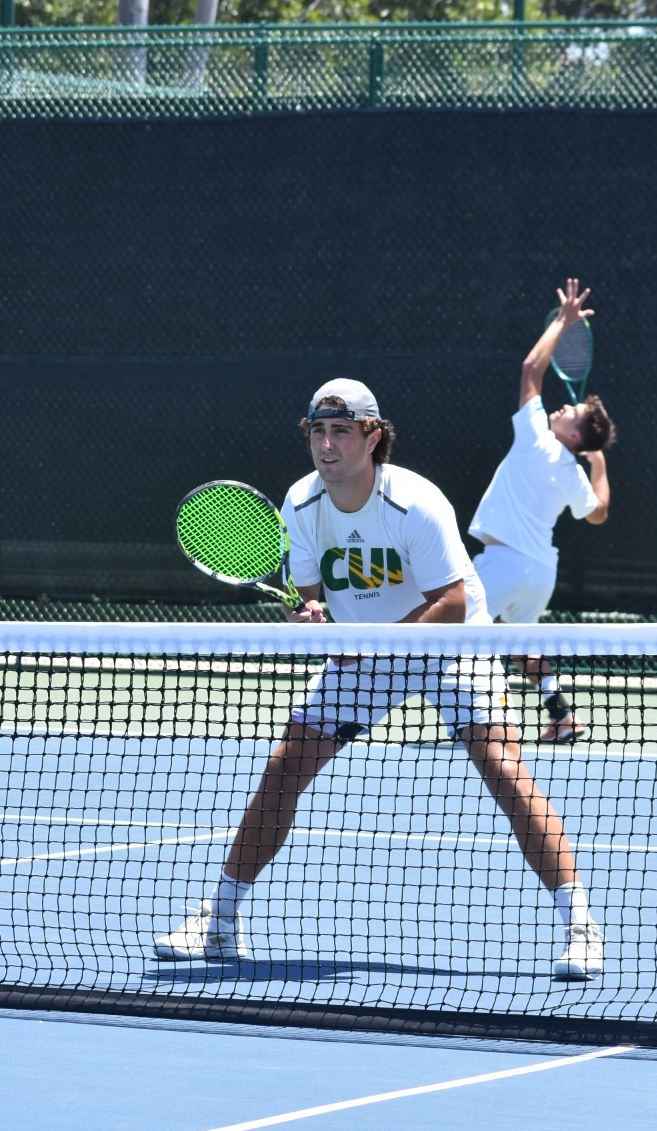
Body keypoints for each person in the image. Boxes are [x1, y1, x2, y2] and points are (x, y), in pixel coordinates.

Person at [154, 378, 604, 980]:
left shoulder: (416, 502)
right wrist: (312, 621)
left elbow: (449, 600)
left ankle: (580, 926)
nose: (327, 445)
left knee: (504, 771)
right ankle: (220, 922)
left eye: (341, 431)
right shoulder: (301, 503)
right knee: (285, 767)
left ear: (373, 437)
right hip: (365, 654)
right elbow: (307, 599)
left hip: (451, 645)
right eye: (318, 431)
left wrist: (374, 644)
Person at [469, 280, 615, 743]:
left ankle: (490, 716)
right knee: (519, 645)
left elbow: (531, 368)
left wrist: (563, 321)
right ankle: (562, 716)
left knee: (453, 635)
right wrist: (600, 466)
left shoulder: (537, 439)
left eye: (571, 410)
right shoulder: (574, 474)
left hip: (505, 563)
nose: (564, 406)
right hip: (539, 574)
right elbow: (599, 513)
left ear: (574, 436)